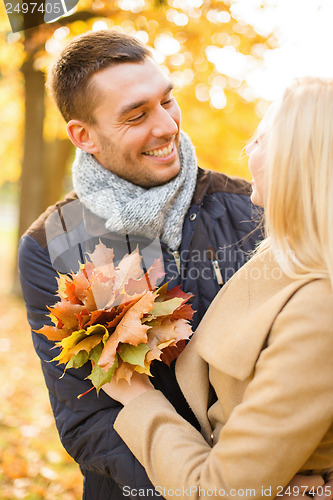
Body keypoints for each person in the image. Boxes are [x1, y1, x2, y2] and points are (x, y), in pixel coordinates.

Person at [18, 30, 323, 499]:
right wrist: (206, 487)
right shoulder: (52, 245)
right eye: (136, 115)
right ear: (84, 135)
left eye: (167, 100)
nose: (166, 126)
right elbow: (85, 418)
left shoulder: (257, 208)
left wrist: (249, 481)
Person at [101, 76, 333, 499]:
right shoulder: (279, 255)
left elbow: (217, 491)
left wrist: (137, 397)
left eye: (260, 140)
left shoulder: (320, 304)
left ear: (297, 158)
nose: (248, 151)